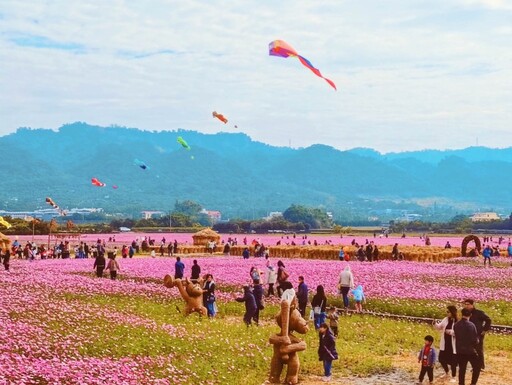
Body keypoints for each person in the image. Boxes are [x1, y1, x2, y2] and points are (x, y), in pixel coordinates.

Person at [454, 308, 481, 385]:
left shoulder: (456, 325)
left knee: (462, 369)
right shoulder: (471, 325)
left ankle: (461, 383)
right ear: (470, 315)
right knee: (477, 367)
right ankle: (473, 383)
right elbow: (475, 340)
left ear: (461, 314)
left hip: (460, 350)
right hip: (470, 350)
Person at [464, 299, 491, 371]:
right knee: (471, 351)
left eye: (468, 304)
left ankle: (481, 366)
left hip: (478, 334)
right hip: (469, 334)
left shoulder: (479, 313)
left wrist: (485, 330)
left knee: (478, 350)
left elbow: (488, 320)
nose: (467, 306)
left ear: (472, 305)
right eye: (465, 304)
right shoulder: (465, 313)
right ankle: (475, 366)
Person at [433, 305, 458, 382]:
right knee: (441, 358)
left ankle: (453, 376)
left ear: (452, 312)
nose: (447, 313)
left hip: (453, 344)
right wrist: (435, 323)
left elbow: (459, 332)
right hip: (445, 342)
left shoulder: (457, 321)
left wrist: (450, 332)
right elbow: (439, 327)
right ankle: (447, 372)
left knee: (453, 361)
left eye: (448, 312)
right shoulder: (445, 319)